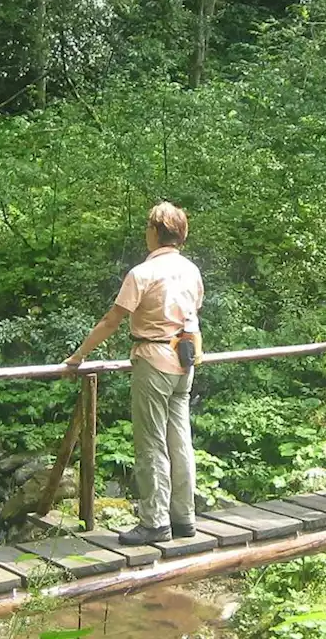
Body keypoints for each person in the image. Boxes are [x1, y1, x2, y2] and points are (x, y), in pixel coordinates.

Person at [64, 202, 204, 546]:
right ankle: (183, 518)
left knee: (152, 443)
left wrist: (79, 355)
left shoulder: (142, 273)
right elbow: (193, 311)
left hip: (153, 359)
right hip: (184, 359)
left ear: (156, 232)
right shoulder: (191, 271)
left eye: (147, 226)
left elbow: (113, 320)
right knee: (180, 440)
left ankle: (155, 522)